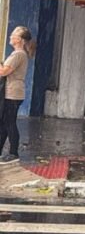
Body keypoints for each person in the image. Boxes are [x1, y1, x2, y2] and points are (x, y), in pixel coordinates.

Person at [0, 26, 35, 162]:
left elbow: (3, 72)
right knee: (4, 123)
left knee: (9, 123)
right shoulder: (18, 54)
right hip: (12, 92)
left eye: (13, 35)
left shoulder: (18, 54)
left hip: (12, 93)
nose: (10, 36)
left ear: (20, 40)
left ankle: (14, 153)